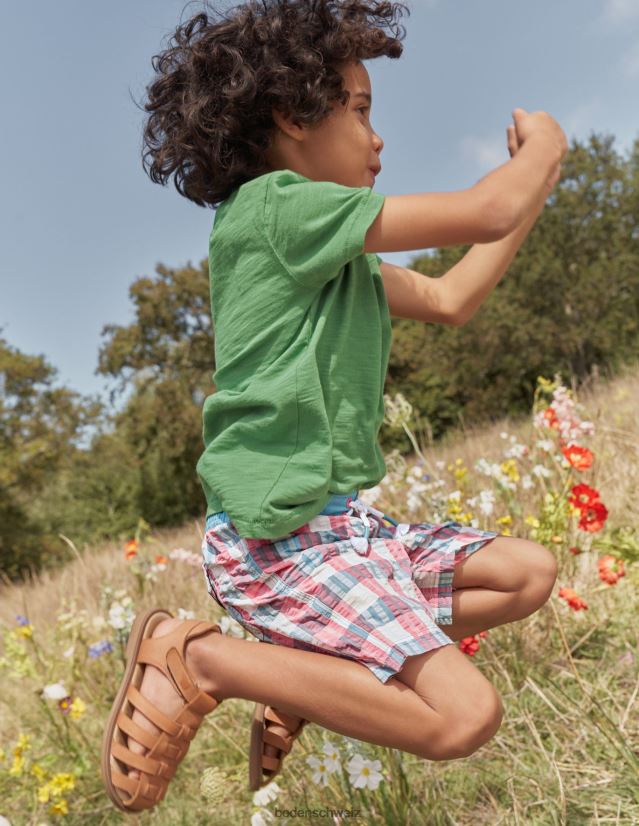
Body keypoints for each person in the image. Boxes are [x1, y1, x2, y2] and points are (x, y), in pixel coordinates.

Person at [101, 0, 567, 812]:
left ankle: (308, 671)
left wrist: (534, 189)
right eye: (359, 110)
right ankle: (201, 659)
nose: (377, 138)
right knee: (464, 717)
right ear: (290, 117)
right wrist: (545, 149)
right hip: (279, 543)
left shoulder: (327, 255)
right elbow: (486, 207)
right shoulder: (275, 210)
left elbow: (452, 296)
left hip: (340, 533)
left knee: (525, 574)